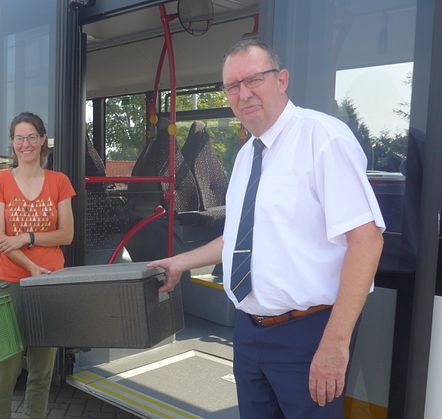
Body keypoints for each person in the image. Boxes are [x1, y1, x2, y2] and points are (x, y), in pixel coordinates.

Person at [149, 39, 385, 418]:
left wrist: (335, 344)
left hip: (308, 335)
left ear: (282, 80)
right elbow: (239, 241)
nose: (243, 94)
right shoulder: (245, 156)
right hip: (249, 332)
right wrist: (180, 262)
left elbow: (367, 241)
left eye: (254, 80)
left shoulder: (322, 138)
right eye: (232, 86)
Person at [0, 112, 75, 418]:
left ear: (42, 140)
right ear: (12, 143)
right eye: (19, 138)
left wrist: (27, 236)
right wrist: (31, 267)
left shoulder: (59, 181)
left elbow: (67, 234)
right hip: (11, 284)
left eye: (32, 137)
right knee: (4, 373)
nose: (26, 144)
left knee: (42, 372)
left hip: (50, 285)